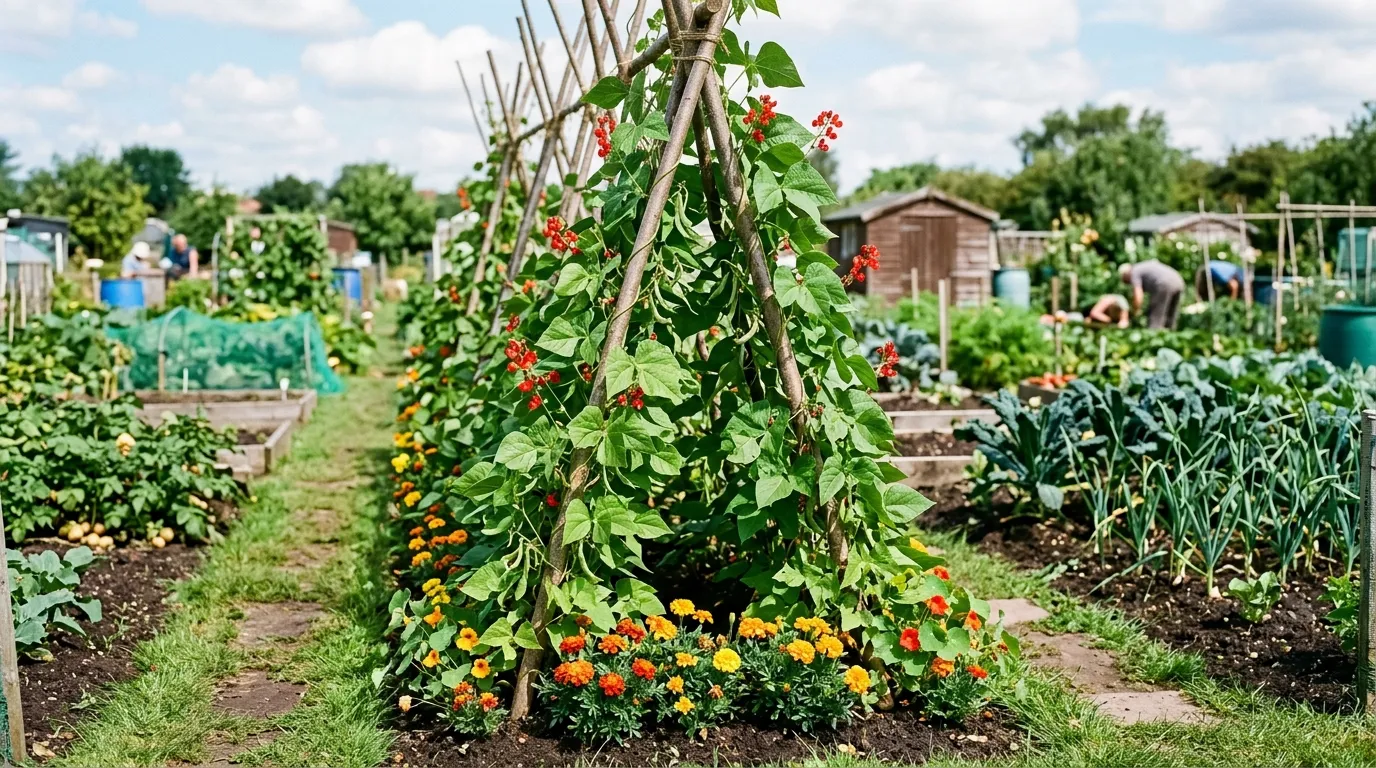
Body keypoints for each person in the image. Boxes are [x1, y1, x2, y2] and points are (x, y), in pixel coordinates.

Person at [1120, 259, 1184, 330]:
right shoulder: (1143, 266)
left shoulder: (1134, 272)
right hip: (1178, 280)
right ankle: (1171, 335)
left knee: (1155, 320)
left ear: (1125, 273)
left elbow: (1138, 296)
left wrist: (1135, 311)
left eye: (1125, 281)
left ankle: (1153, 336)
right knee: (1170, 319)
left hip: (1163, 284)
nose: (1128, 283)